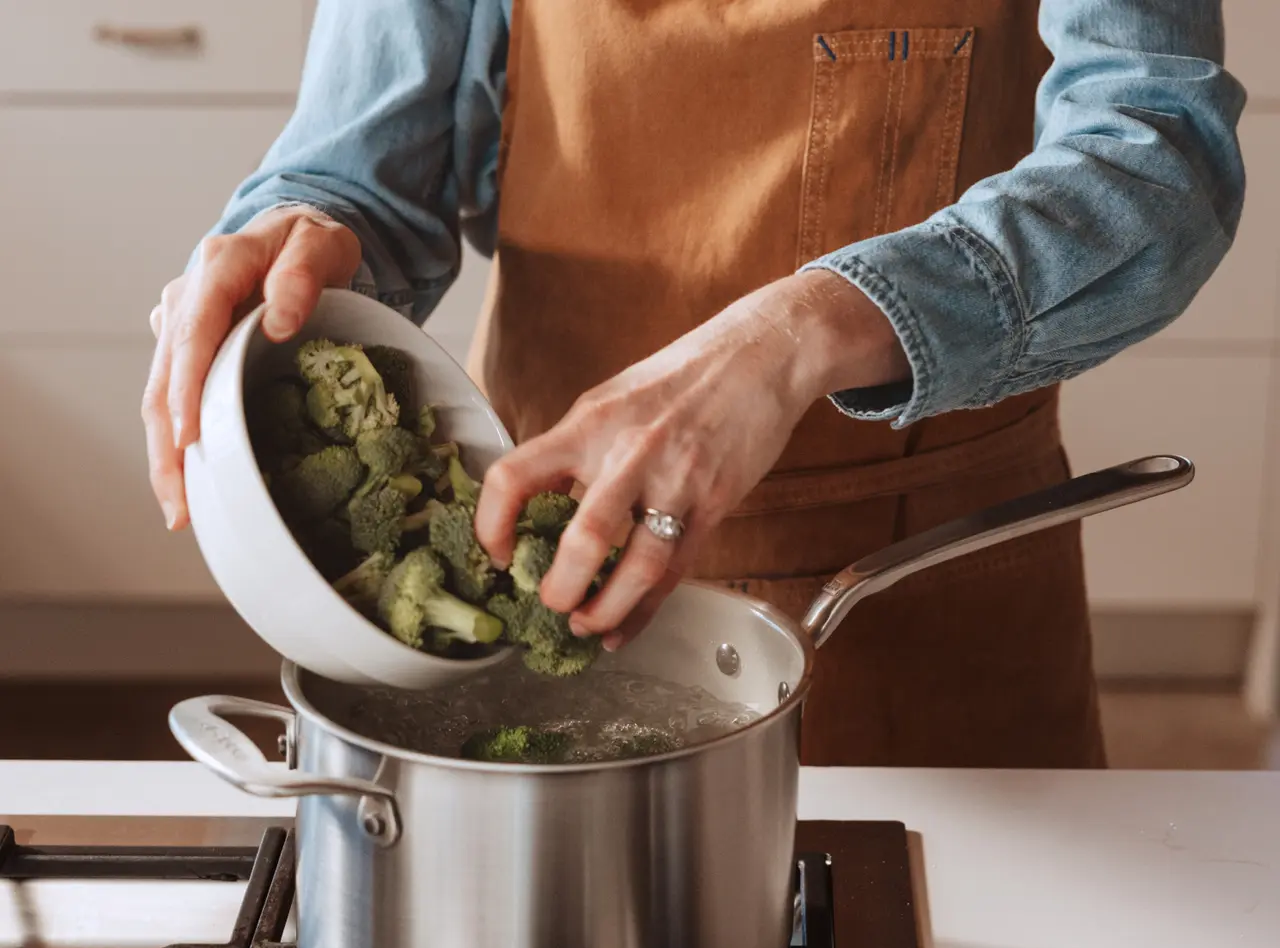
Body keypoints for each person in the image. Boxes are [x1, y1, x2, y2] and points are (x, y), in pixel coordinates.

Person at [142, 0, 1245, 768]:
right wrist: (297, 230)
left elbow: (1153, 161)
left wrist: (792, 330)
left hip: (917, 587)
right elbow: (362, 165)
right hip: (534, 548)